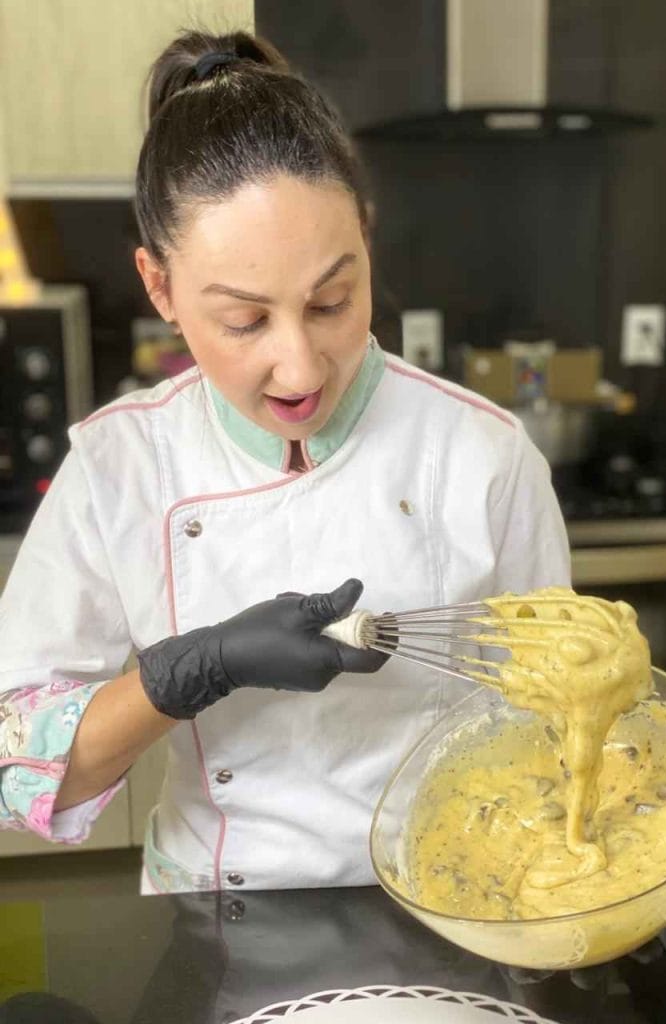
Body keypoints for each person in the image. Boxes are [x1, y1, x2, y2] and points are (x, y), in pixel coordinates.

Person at [0, 29, 570, 894]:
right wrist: (192, 669)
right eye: (244, 321)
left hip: (450, 907)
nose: (301, 368)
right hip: (215, 921)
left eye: (332, 302)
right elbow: (15, 766)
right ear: (160, 288)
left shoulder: (483, 455)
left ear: (367, 245)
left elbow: (554, 728)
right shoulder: (122, 465)